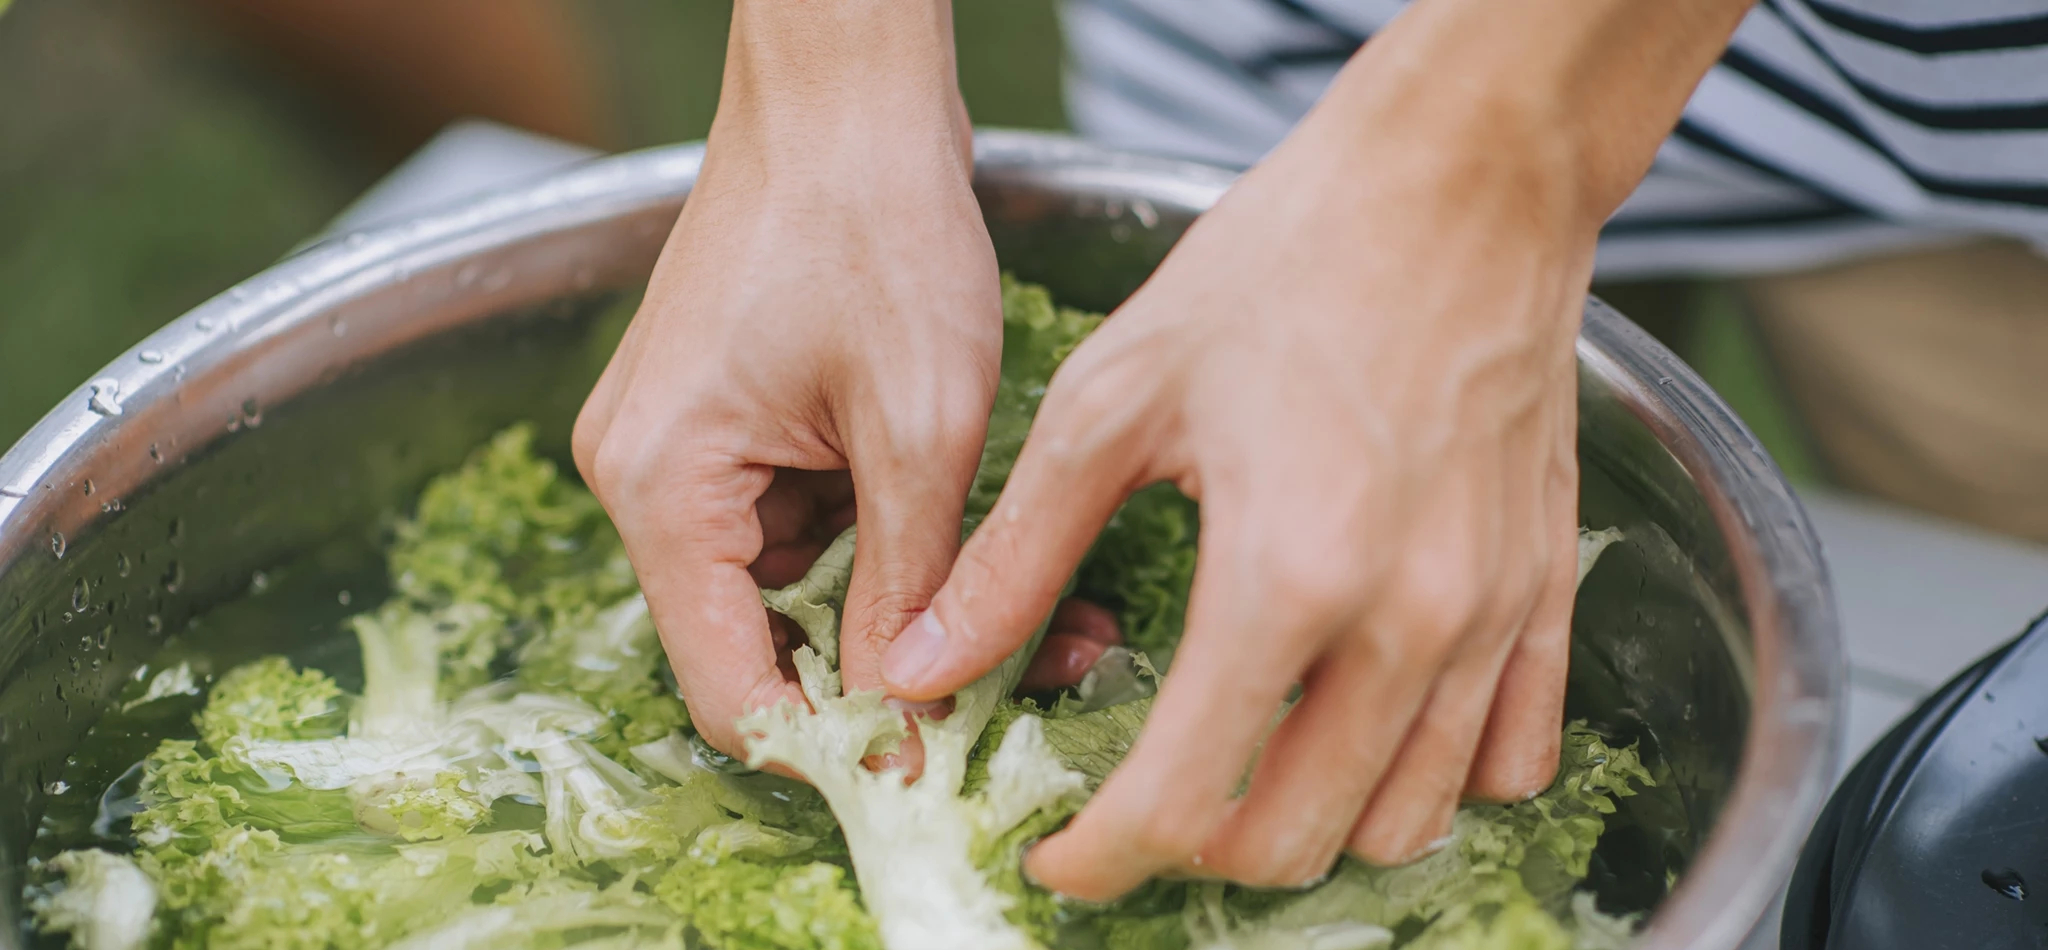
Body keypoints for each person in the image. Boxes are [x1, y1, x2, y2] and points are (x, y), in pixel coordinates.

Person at [573, 0, 2048, 903]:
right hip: (1273, 46)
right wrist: (834, 65)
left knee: (1978, 725)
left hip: (1923, 117)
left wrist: (1502, 141)